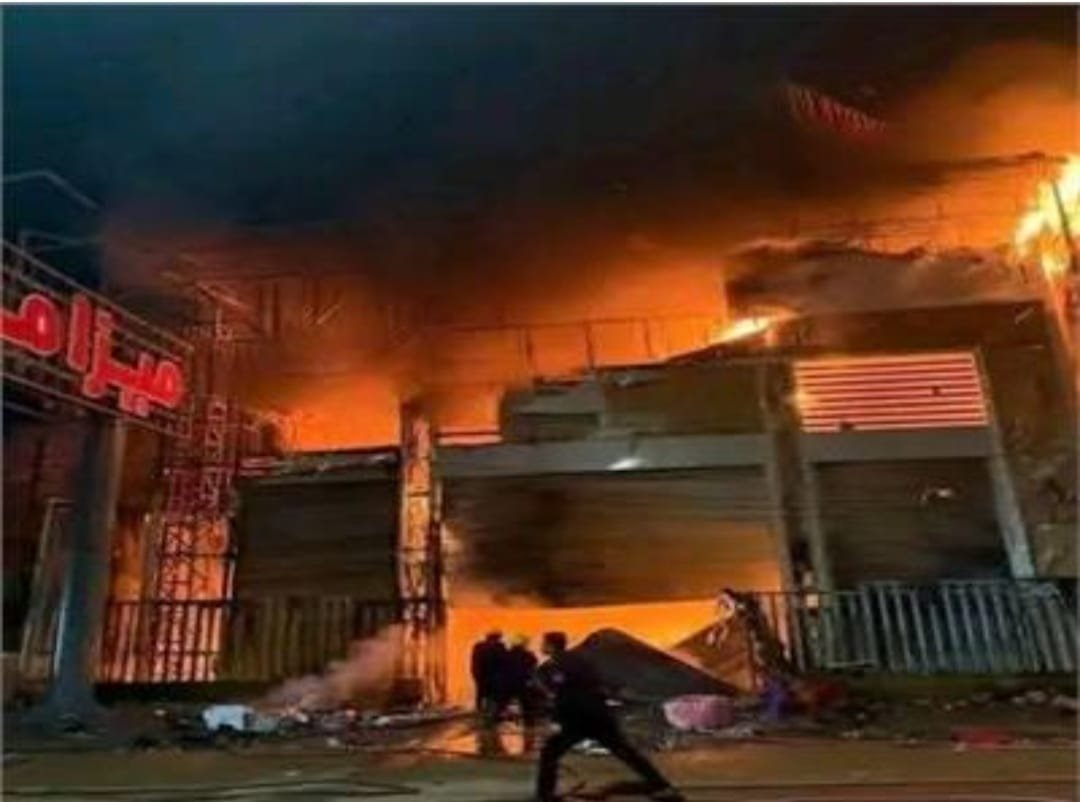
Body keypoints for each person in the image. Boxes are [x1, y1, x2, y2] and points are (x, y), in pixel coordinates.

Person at [534, 631, 683, 802]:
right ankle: (662, 786)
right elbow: (592, 685)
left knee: (550, 752)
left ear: (551, 645)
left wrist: (556, 720)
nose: (541, 646)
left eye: (544, 643)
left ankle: (545, 795)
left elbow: (566, 694)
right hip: (597, 715)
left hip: (581, 718)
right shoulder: (578, 659)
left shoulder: (559, 664)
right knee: (626, 752)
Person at [470, 629, 508, 721]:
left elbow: (475, 663)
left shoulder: (479, 646)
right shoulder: (499, 647)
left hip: (483, 677)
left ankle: (482, 713)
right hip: (493, 678)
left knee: (482, 695)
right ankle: (491, 714)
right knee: (493, 697)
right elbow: (504, 663)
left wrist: (476, 675)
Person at [504, 634, 540, 724]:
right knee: (527, 706)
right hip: (524, 683)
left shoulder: (506, 654)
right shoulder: (529, 655)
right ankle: (529, 723)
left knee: (509, 704)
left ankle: (512, 720)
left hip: (509, 683)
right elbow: (533, 668)